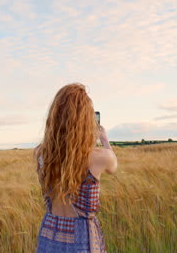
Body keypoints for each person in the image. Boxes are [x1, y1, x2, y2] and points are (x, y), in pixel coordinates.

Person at [34, 82, 118, 253]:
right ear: (86, 121)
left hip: (48, 235)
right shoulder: (100, 157)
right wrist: (104, 139)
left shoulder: (40, 154)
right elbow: (113, 167)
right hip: (82, 240)